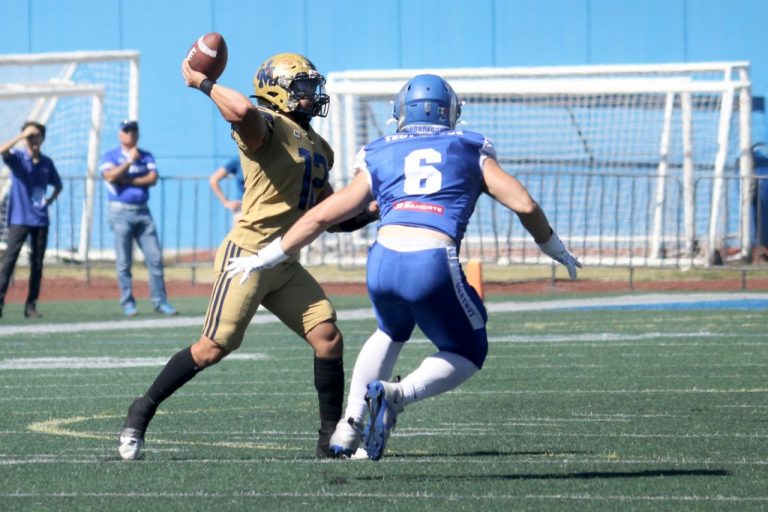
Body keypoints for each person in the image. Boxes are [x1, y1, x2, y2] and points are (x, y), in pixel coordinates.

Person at [225, 74, 582, 461]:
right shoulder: (469, 146)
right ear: (451, 111)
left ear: (400, 113)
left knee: (390, 330)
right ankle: (397, 395)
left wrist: (267, 255)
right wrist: (552, 246)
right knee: (469, 349)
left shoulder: (380, 150)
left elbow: (322, 216)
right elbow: (524, 204)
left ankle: (349, 424)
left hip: (383, 260)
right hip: (432, 258)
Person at [117, 52, 377, 461]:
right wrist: (203, 83)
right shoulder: (266, 124)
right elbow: (240, 110)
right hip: (248, 255)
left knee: (328, 338)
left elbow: (331, 216)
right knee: (213, 348)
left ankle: (331, 440)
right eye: (303, 87)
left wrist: (376, 209)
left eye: (312, 87)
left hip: (283, 261)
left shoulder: (319, 146)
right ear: (277, 90)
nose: (312, 95)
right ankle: (142, 408)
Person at [99, 120, 178, 317]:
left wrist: (127, 180)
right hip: (120, 212)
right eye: (126, 131)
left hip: (143, 212)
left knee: (155, 258)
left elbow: (152, 178)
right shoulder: (110, 156)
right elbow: (110, 176)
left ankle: (160, 302)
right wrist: (128, 162)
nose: (131, 134)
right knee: (124, 262)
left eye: (134, 131)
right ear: (120, 134)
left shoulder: (146, 155)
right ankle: (128, 303)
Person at [0, 121, 63, 319]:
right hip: (19, 219)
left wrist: (49, 200)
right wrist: (21, 136)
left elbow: (58, 185)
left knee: (37, 264)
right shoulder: (18, 158)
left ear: (43, 138)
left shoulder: (46, 162)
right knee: (9, 260)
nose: (34, 140)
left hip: (40, 220)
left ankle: (31, 305)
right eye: (30, 136)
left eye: (37, 136)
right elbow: (2, 150)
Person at [209, 157, 245, 222]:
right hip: (242, 208)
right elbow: (213, 179)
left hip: (261, 207)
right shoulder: (238, 160)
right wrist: (225, 202)